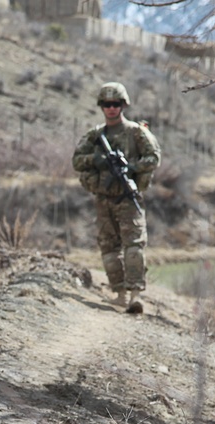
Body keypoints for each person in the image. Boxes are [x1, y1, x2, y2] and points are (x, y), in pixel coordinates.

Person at [72, 81, 161, 314]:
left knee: (133, 246)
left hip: (127, 196)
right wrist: (97, 160)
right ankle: (119, 293)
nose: (111, 108)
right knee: (109, 248)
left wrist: (131, 168)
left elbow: (153, 158)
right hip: (103, 199)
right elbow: (77, 161)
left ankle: (135, 296)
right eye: (107, 104)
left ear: (123, 105)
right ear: (102, 106)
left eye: (116, 104)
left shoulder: (136, 132)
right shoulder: (95, 135)